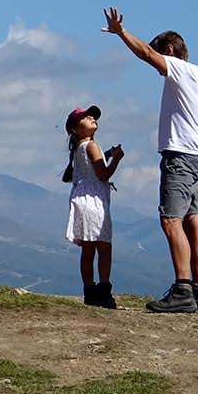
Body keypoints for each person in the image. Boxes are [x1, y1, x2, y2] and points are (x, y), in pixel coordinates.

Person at [102, 7, 198, 313]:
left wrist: (121, 33)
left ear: (170, 51)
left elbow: (147, 54)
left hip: (180, 157)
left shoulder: (179, 69)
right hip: (197, 158)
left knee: (171, 221)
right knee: (193, 222)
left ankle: (183, 290)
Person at [63, 105, 124, 308]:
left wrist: (107, 154)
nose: (91, 118)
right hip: (95, 202)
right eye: (86, 117)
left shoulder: (79, 148)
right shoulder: (92, 146)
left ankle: (89, 290)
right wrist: (116, 159)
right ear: (75, 129)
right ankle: (104, 289)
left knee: (88, 249)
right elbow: (103, 174)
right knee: (104, 247)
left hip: (81, 199)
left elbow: (90, 167)